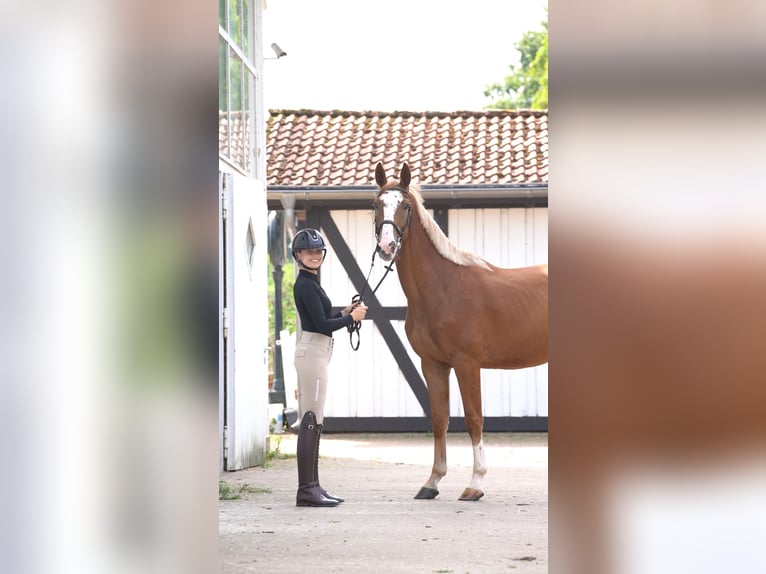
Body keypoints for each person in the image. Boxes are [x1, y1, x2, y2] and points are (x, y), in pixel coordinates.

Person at [291, 228, 368, 507]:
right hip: (313, 351)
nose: (314, 255)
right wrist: (352, 319)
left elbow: (323, 319)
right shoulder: (305, 285)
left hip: (318, 350)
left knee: (317, 419)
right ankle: (306, 489)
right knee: (310, 418)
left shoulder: (312, 283)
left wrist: (346, 312)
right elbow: (322, 326)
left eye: (317, 251)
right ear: (298, 255)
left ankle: (314, 485)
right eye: (308, 251)